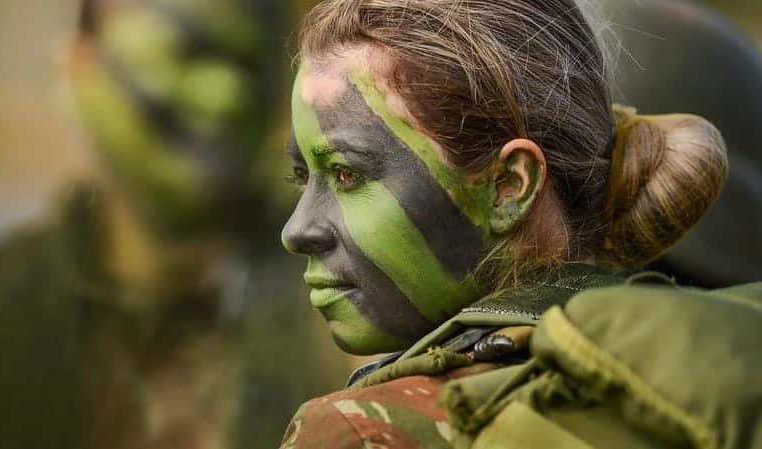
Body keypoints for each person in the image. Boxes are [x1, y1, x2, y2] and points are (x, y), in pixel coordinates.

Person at [278, 0, 762, 447]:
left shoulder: (362, 429)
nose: (296, 230)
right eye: (302, 178)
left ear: (509, 186)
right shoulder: (718, 362)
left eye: (347, 174)